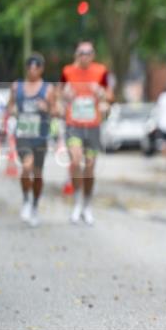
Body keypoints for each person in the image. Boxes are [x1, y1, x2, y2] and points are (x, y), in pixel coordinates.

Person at [61, 41, 113, 225]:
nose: (84, 56)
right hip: (74, 124)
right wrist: (65, 95)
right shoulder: (67, 71)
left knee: (90, 168)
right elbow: (60, 93)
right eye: (81, 53)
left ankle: (87, 205)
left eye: (88, 53)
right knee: (75, 161)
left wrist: (101, 94)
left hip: (92, 126)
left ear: (93, 55)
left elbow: (110, 95)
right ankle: (76, 203)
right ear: (77, 55)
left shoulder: (101, 71)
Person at [6, 54, 56, 226]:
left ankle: (34, 205)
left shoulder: (48, 89)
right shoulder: (16, 87)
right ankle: (26, 200)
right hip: (23, 135)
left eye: (36, 67)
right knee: (27, 166)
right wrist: (12, 111)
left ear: (42, 69)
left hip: (40, 136)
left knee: (38, 174)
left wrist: (47, 108)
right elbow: (10, 106)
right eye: (30, 66)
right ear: (26, 68)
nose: (33, 70)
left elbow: (57, 111)